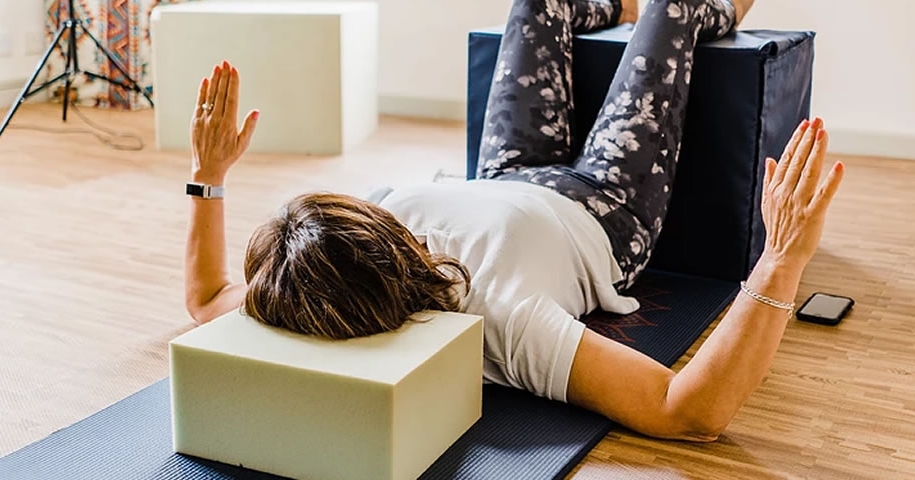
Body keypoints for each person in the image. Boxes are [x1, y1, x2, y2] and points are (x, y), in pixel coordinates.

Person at [184, 0, 845, 442]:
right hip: (602, 205)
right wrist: (781, 260)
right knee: (676, 8)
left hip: (503, 171)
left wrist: (207, 175)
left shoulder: (311, 277)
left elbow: (208, 298)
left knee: (536, 2)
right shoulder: (498, 320)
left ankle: (622, 9)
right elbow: (686, 410)